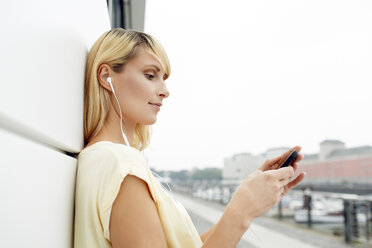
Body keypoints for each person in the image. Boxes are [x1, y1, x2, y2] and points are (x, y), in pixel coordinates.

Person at [74, 27, 306, 248]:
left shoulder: (100, 159)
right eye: (150, 75)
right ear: (106, 76)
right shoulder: (121, 165)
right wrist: (242, 211)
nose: (165, 90)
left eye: (163, 77)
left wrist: (250, 201)